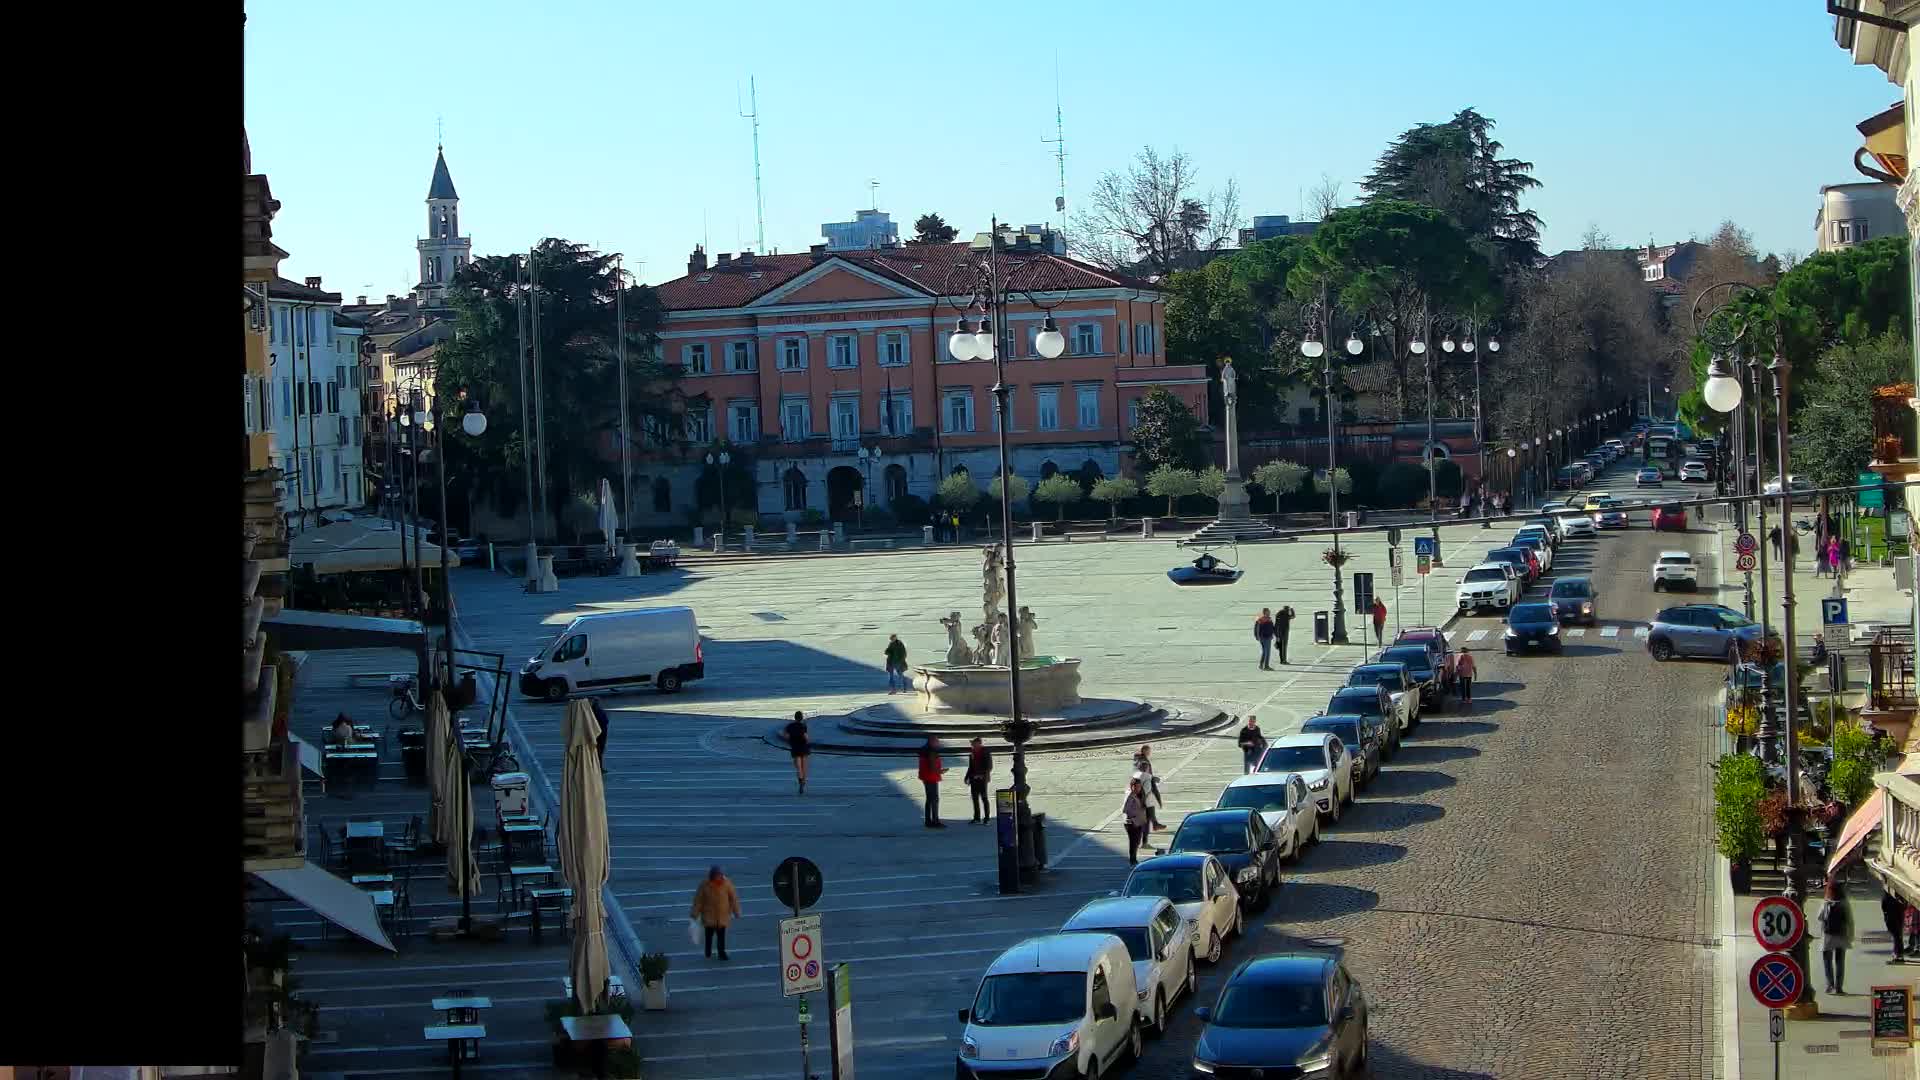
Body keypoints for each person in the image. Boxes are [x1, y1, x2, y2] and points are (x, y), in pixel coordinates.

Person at [690, 865, 740, 961]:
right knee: (709, 936)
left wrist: (736, 911)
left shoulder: (727, 884)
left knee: (721, 937)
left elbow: (733, 898)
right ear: (712, 875)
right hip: (709, 916)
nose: (718, 877)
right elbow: (698, 900)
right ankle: (707, 951)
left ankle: (722, 953)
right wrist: (695, 913)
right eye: (716, 875)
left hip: (722, 916)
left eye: (719, 875)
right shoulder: (704, 885)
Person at [1818, 878, 1853, 994]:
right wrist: (1851, 935)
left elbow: (1820, 917)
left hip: (1827, 936)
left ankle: (1829, 985)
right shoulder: (1844, 903)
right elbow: (1849, 920)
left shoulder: (1826, 902)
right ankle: (1839, 987)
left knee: (1827, 961)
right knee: (1840, 962)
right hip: (1841, 935)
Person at [1132, 744, 1166, 831]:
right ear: (1144, 751)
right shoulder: (1143, 762)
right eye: (1148, 750)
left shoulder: (1140, 760)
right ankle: (1151, 824)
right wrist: (1152, 778)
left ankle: (1154, 824)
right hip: (1144, 786)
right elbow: (1143, 774)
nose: (1150, 752)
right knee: (1147, 805)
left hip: (1145, 785)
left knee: (1148, 806)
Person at [918, 736, 947, 828]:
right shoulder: (932, 751)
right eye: (936, 741)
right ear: (931, 742)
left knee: (929, 799)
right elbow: (932, 766)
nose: (938, 743)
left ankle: (928, 820)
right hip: (931, 777)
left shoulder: (924, 750)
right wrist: (940, 771)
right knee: (934, 799)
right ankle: (935, 821)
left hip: (925, 777)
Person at [1122, 778, 1150, 866]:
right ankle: (1132, 860)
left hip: (1140, 821)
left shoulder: (1140, 794)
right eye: (1136, 786)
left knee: (1137, 841)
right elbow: (1125, 809)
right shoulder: (1130, 796)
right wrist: (1132, 817)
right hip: (1131, 822)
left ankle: (1134, 858)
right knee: (1133, 841)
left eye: (1139, 786)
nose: (1138, 788)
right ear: (1132, 786)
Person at [964, 736, 992, 824]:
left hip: (982, 778)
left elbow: (989, 766)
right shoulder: (972, 754)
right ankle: (977, 818)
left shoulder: (985, 752)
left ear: (979, 743)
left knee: (984, 798)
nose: (972, 745)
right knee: (975, 798)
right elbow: (970, 767)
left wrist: (983, 775)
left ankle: (987, 818)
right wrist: (967, 777)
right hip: (973, 778)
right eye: (972, 744)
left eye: (974, 743)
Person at [784, 710, 811, 795]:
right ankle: (803, 782)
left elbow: (786, 735)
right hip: (803, 747)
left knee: (798, 767)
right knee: (804, 766)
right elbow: (806, 737)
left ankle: (800, 781)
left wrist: (791, 739)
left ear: (794, 717)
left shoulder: (790, 726)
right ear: (802, 718)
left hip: (795, 747)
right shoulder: (803, 726)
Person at [1883, 889, 1908, 963]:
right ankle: (1899, 955)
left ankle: (1898, 955)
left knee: (1896, 936)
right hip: (1898, 913)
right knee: (1898, 935)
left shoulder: (1888, 891)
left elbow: (1884, 905)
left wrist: (1885, 913)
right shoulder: (1899, 892)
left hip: (1893, 914)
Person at [591, 697, 612, 771]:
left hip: (596, 733)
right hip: (600, 733)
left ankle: (597, 767)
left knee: (597, 751)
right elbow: (605, 721)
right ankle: (599, 768)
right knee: (599, 751)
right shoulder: (598, 711)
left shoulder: (590, 712)